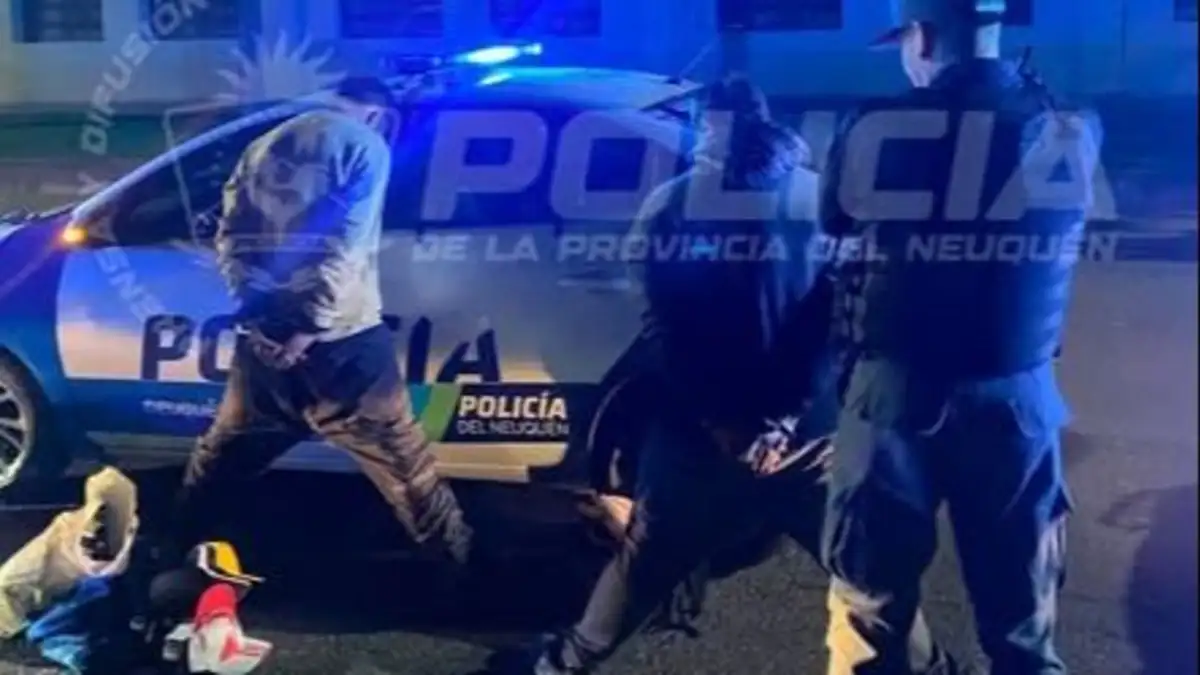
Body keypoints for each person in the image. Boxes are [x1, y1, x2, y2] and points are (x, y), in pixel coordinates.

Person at [486, 75, 951, 675]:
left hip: (700, 438)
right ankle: (933, 667)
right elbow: (840, 321)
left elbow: (666, 328)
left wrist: (722, 422)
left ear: (707, 126)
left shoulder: (671, 205)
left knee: (646, 562)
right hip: (811, 435)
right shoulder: (820, 198)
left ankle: (563, 664)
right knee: (863, 567)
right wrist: (783, 422)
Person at [819, 1, 1103, 673]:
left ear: (920, 38)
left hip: (894, 398)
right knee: (1023, 629)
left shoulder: (874, 125)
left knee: (869, 613)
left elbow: (834, 219)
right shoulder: (1075, 124)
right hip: (1020, 398)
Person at [162, 76, 473, 567]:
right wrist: (309, 327)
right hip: (345, 342)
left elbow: (232, 236)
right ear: (378, 114)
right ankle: (456, 573)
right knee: (405, 469)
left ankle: (173, 549)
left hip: (264, 338)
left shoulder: (264, 144)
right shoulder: (364, 146)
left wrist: (257, 315)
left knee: (221, 459)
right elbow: (342, 246)